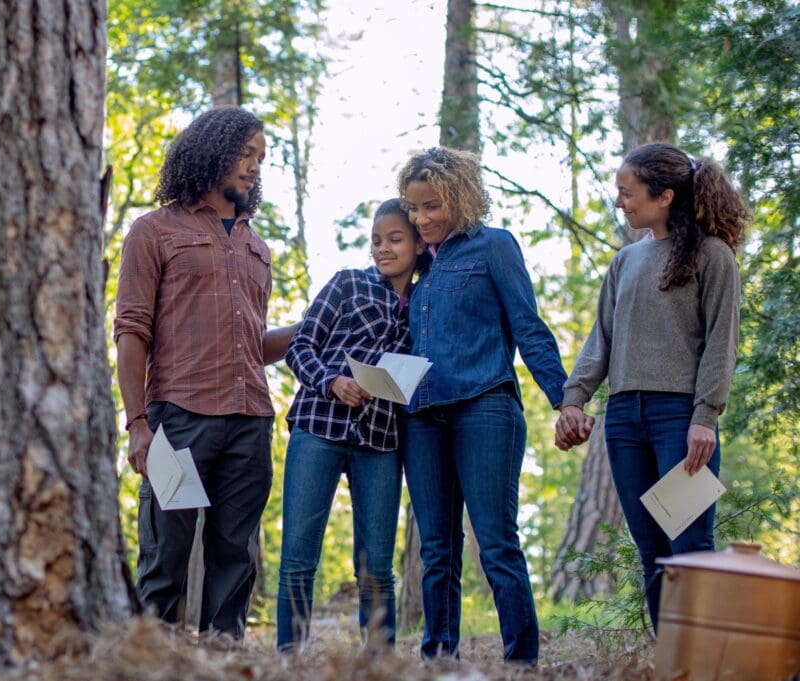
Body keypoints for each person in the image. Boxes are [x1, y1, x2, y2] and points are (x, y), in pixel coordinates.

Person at [114, 107, 297, 639]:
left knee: (234, 561)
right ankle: (152, 667)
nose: (255, 166)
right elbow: (132, 330)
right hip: (179, 419)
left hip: (249, 422)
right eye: (246, 153)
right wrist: (138, 424)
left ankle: (225, 660)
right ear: (212, 149)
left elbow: (252, 347)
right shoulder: (154, 231)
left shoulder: (256, 247)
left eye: (261, 158)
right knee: (164, 561)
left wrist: (311, 327)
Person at [555, 142, 745, 632]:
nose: (620, 202)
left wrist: (705, 418)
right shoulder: (625, 262)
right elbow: (601, 340)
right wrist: (573, 399)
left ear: (664, 196)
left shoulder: (714, 256)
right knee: (652, 553)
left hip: (679, 421)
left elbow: (721, 344)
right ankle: (668, 661)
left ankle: (702, 659)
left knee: (690, 548)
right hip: (623, 421)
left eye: (627, 192)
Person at [398, 147, 567, 663]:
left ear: (460, 197)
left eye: (432, 206)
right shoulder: (414, 266)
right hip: (422, 418)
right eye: (413, 208)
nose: (421, 219)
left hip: (484, 409)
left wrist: (566, 398)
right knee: (436, 551)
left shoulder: (494, 247)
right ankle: (437, 659)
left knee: (495, 544)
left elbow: (529, 328)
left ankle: (522, 661)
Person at [276, 199, 429, 652]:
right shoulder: (347, 283)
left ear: (420, 244)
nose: (383, 249)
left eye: (395, 239)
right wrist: (333, 380)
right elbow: (300, 346)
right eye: (376, 241)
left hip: (380, 440)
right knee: (298, 559)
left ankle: (378, 660)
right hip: (318, 425)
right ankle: (290, 659)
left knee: (377, 566)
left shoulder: (424, 304)